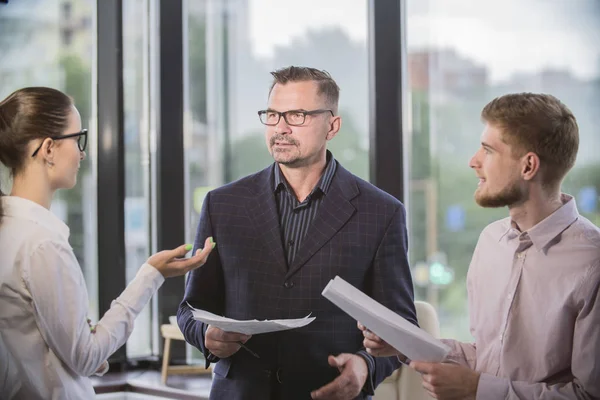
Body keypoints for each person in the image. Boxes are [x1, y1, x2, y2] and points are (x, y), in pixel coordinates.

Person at [177, 66, 417, 400]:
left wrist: (364, 367)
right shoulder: (222, 204)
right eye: (272, 115)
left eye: (297, 115)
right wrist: (205, 334)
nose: (281, 128)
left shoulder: (382, 212)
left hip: (328, 392)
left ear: (332, 126)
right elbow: (191, 307)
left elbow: (402, 327)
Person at [360, 93, 600, 399]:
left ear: (528, 166)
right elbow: (489, 358)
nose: (473, 161)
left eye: (488, 150)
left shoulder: (592, 263)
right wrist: (405, 343)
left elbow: (589, 394)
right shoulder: (491, 241)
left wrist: (477, 389)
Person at [0, 87, 215, 399]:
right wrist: (150, 275)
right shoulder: (42, 244)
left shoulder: (11, 229)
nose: (82, 153)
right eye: (77, 139)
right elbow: (86, 358)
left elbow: (44, 346)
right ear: (48, 148)